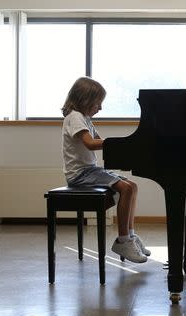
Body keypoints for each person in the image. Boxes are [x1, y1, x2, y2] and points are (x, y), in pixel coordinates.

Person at [61, 77, 150, 263]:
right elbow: (91, 144)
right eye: (97, 103)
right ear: (85, 100)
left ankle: (130, 236)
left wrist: (122, 145)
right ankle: (123, 241)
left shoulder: (84, 118)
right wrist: (121, 143)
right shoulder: (75, 117)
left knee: (132, 186)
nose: (100, 108)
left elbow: (100, 140)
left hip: (89, 171)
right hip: (80, 174)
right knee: (126, 188)